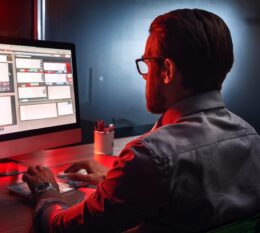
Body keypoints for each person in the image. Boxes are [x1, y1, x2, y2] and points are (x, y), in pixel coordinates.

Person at [23, 8, 260, 233]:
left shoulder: (150, 156)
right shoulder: (251, 137)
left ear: (167, 70)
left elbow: (63, 228)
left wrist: (46, 190)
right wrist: (116, 181)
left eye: (147, 63)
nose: (145, 77)